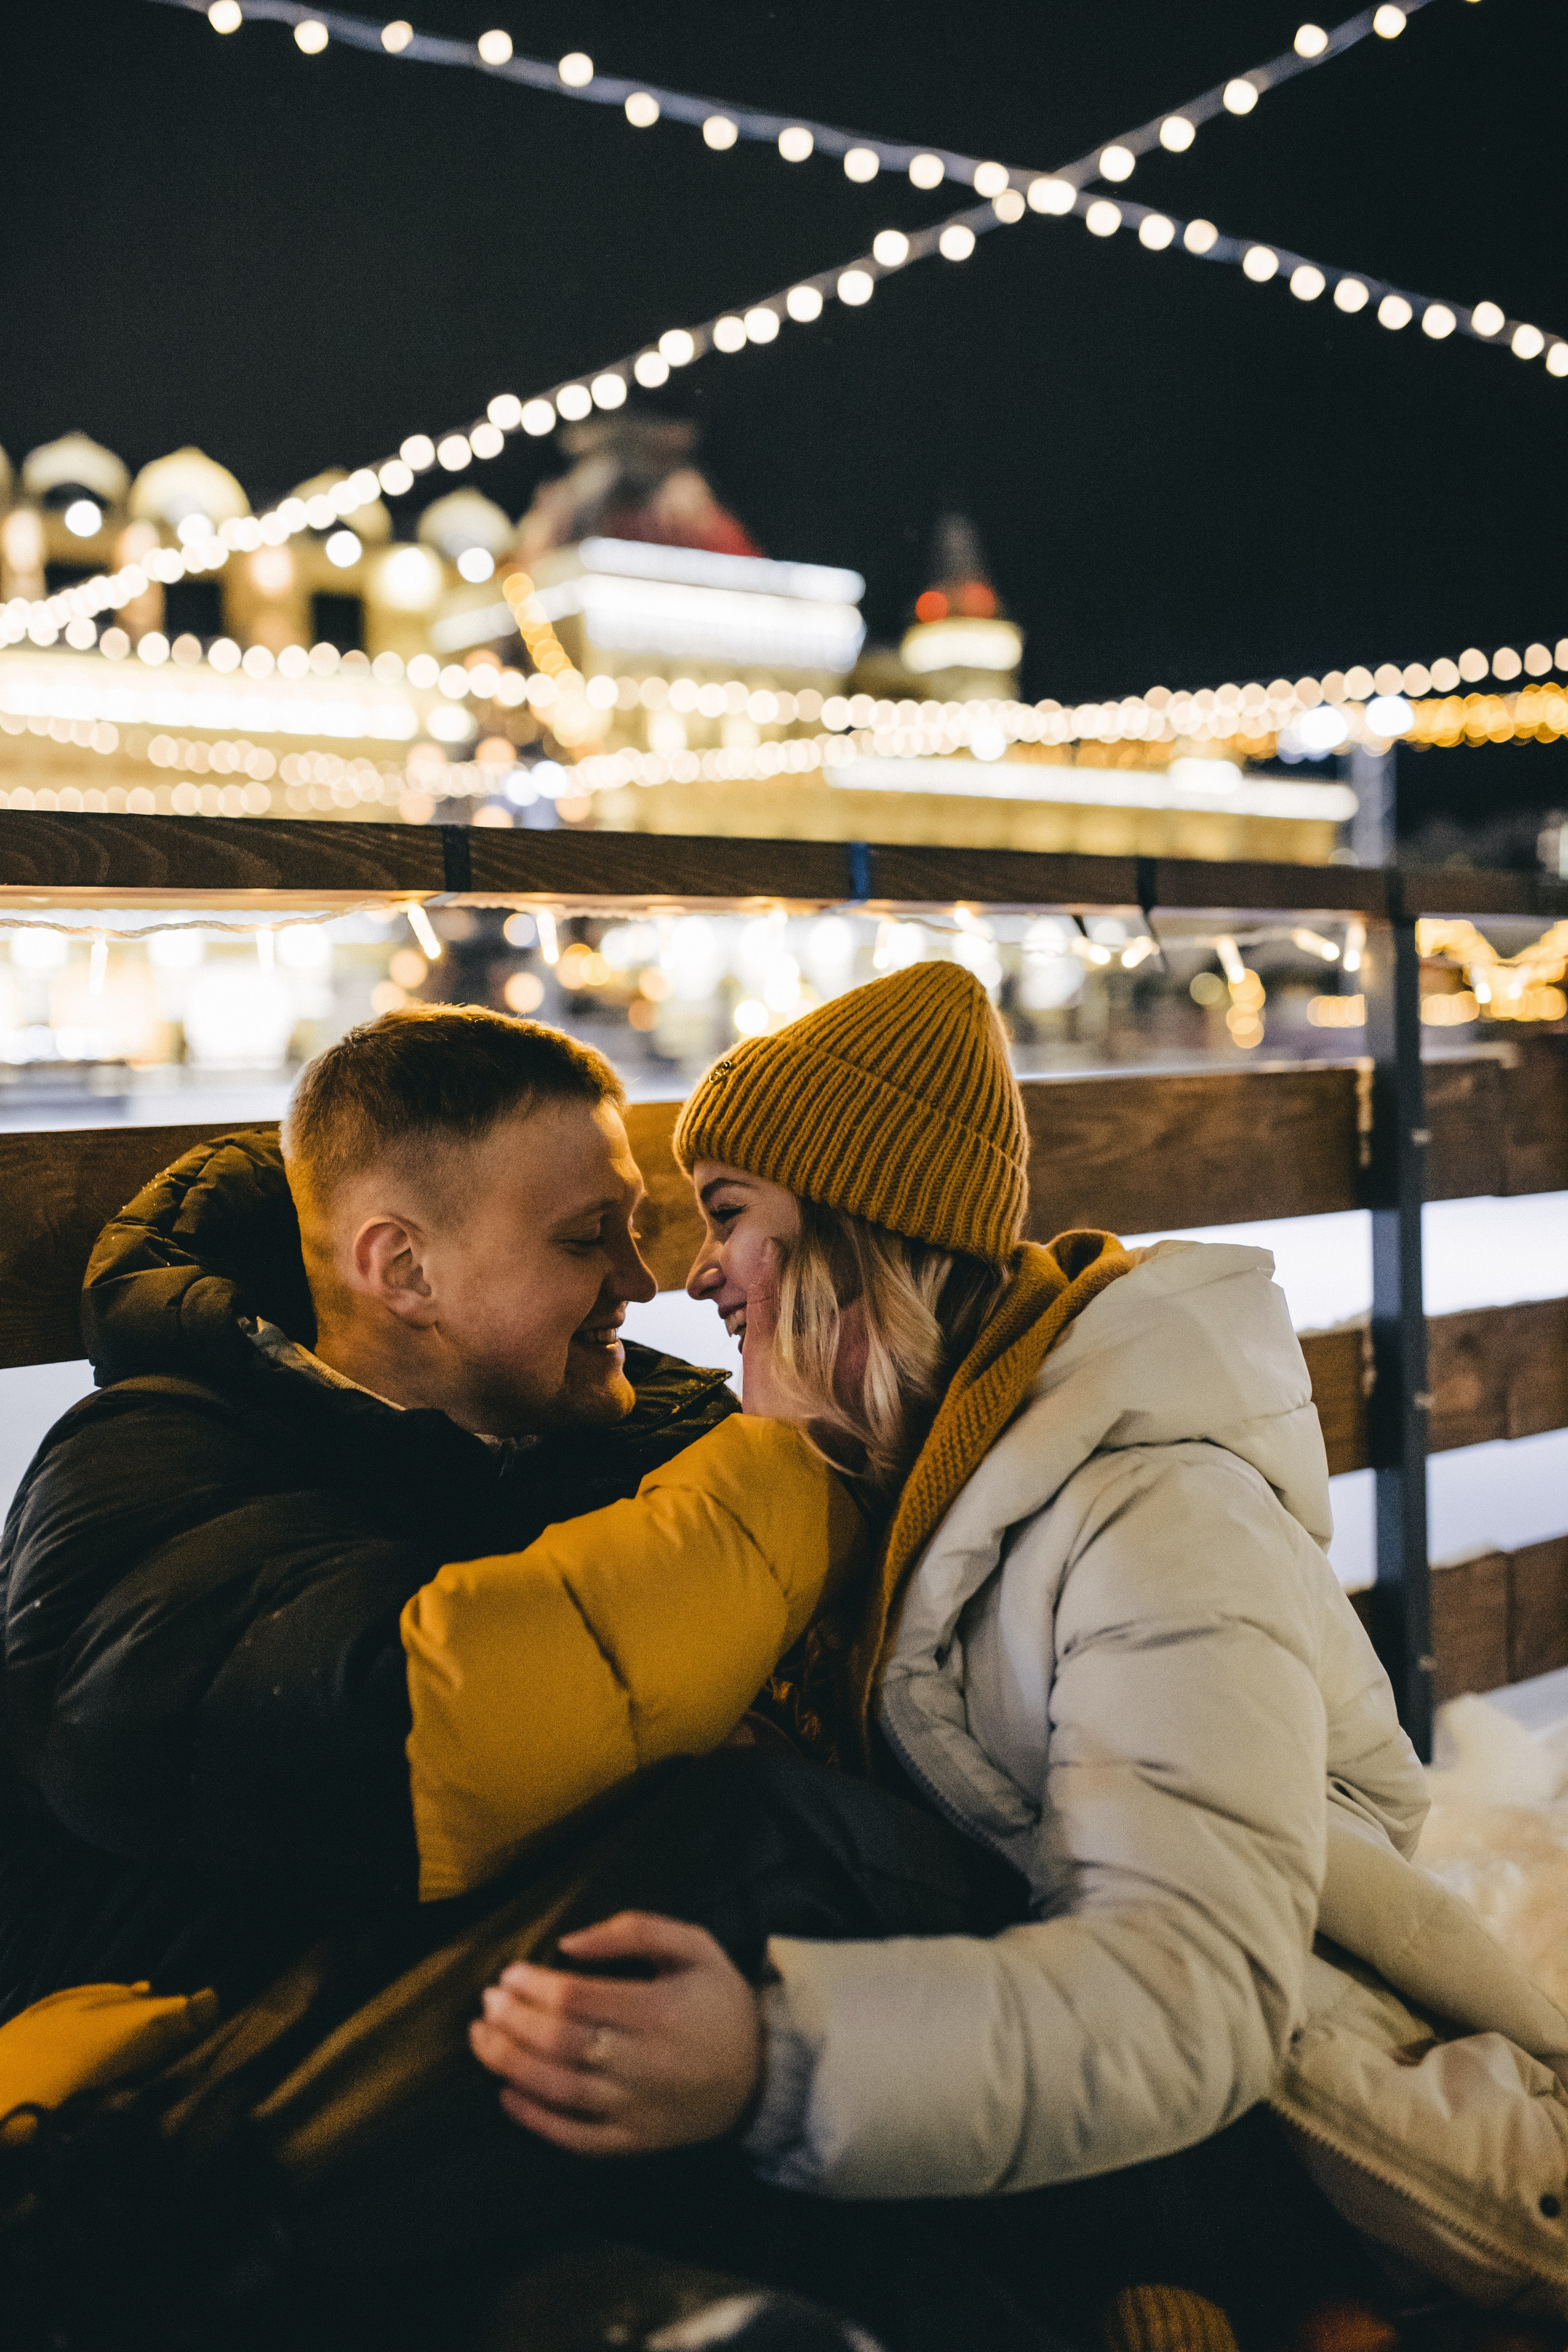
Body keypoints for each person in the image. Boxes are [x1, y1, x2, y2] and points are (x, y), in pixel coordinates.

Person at [469, 960, 1568, 2336]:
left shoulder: (1148, 1515)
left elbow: (1194, 2006)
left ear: (856, 1235)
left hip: (1327, 2150)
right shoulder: (910, 1477)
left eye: (729, 1216)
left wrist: (774, 2058)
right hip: (1144, 2125)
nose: (697, 1276)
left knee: (764, 1833)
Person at [0, 1005, 753, 2015]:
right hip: (211, 2103)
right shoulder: (149, 1465)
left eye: (635, 1225)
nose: (639, 1280)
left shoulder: (648, 1426)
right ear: (403, 1270)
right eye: (585, 1241)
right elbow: (372, 1750)